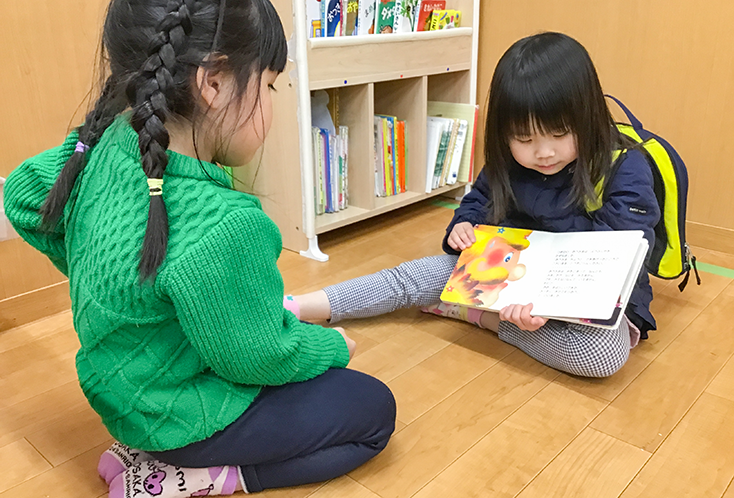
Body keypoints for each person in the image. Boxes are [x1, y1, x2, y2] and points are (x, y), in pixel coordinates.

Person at [3, 0, 395, 496]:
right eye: (269, 85)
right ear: (213, 82)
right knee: (373, 410)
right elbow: (259, 357)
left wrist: (96, 267)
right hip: (182, 419)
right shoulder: (224, 224)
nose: (272, 101)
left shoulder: (102, 144)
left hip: (119, 397)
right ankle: (202, 474)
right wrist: (332, 346)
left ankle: (143, 451)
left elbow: (22, 194)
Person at [289, 32, 660, 379]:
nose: (543, 152)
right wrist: (463, 227)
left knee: (601, 354)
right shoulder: (510, 161)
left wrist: (544, 301)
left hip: (588, 293)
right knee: (416, 275)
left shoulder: (624, 166)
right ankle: (298, 306)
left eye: (560, 133)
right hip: (508, 273)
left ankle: (480, 316)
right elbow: (479, 200)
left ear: (588, 116)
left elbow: (619, 255)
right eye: (524, 138)